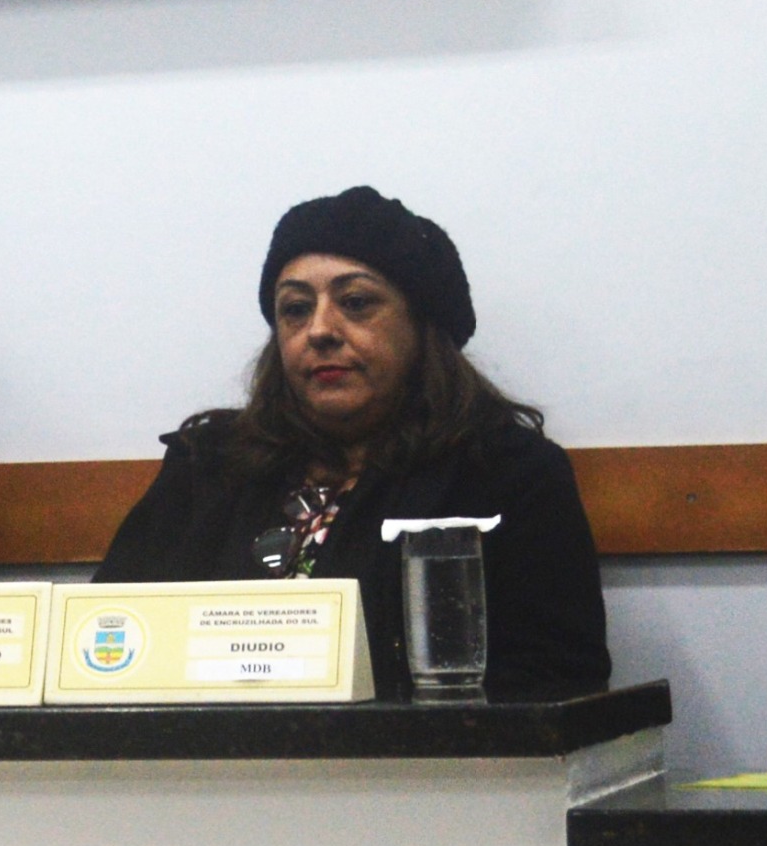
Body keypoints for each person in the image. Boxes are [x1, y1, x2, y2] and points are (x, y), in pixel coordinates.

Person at [95, 186, 609, 698]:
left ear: (423, 324)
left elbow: (559, 683)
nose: (319, 330)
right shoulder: (207, 466)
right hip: (208, 751)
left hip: (418, 752)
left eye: (356, 303)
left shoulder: (505, 474)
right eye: (296, 309)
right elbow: (102, 644)